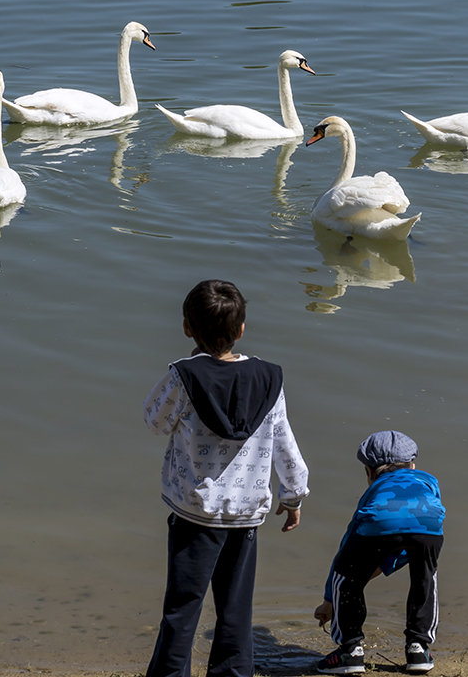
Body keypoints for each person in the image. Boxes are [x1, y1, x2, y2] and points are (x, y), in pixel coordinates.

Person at [144, 279, 310, 677]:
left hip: (194, 514)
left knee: (182, 609)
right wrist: (293, 495)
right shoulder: (269, 379)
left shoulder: (184, 376)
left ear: (187, 328)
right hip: (246, 515)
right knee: (236, 611)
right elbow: (284, 440)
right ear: (241, 329)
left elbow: (154, 421)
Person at [313, 431, 445, 675]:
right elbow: (411, 530)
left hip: (379, 522)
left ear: (369, 472)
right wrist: (385, 566)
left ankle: (350, 651)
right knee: (425, 577)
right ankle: (418, 648)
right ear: (413, 465)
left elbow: (346, 552)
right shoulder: (428, 480)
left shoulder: (375, 490)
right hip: (430, 526)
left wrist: (328, 600)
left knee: (346, 577)